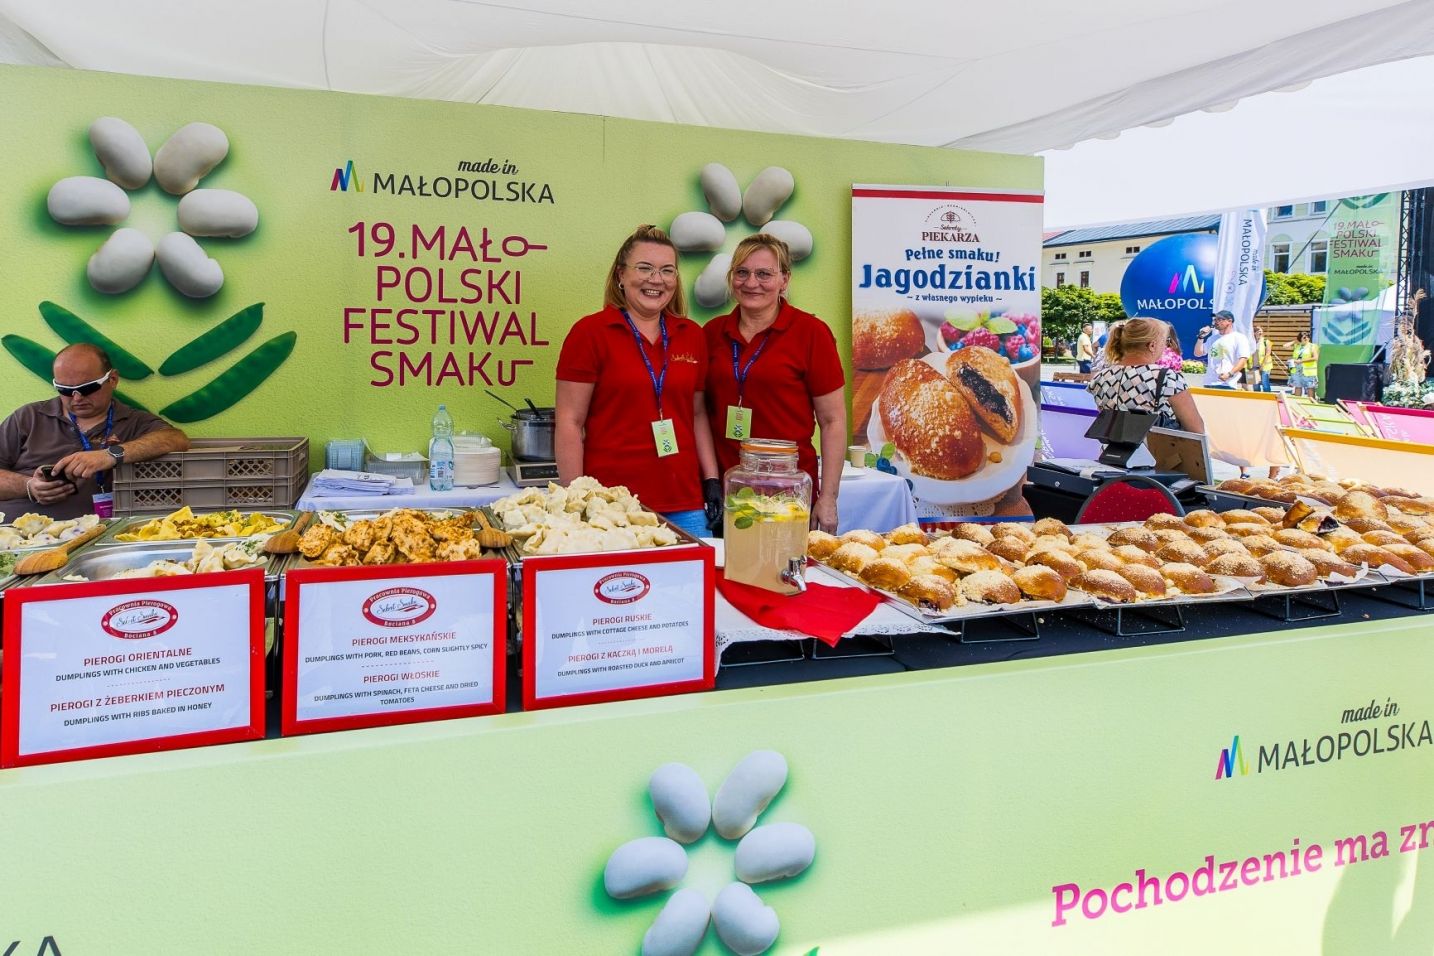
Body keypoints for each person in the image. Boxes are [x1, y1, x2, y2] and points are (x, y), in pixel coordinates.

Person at [555, 225, 718, 538]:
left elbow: (697, 414)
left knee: (695, 571)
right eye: (644, 268)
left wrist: (711, 479)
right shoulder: (589, 334)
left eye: (667, 270)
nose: (656, 279)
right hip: (611, 506)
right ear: (621, 274)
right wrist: (575, 500)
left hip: (684, 501)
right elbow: (570, 422)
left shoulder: (692, 335)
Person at [703, 234, 846, 533]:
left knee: (785, 563)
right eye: (742, 272)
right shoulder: (712, 333)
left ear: (784, 280)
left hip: (789, 493)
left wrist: (829, 499)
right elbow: (699, 413)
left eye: (764, 274)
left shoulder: (811, 333)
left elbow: (832, 421)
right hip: (728, 492)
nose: (751, 282)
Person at [0, 342, 190, 520]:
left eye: (87, 388)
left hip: (95, 532)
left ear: (113, 379)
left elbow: (176, 439)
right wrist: (28, 486)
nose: (76, 398)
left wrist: (110, 455)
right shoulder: (28, 417)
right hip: (16, 532)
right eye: (65, 390)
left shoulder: (133, 421)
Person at [1086, 316, 1205, 433]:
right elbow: (1196, 429)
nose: (1166, 346)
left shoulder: (1101, 377)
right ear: (1152, 345)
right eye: (1166, 341)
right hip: (1155, 445)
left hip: (1113, 445)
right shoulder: (1166, 378)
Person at [1193, 309, 1252, 389]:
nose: (1216, 322)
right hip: (1209, 382)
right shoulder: (1212, 338)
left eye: (1219, 319)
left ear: (1229, 321)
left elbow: (1243, 359)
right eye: (1215, 319)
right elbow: (1198, 353)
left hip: (1227, 383)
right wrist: (1201, 337)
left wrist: (1229, 374)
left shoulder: (1239, 338)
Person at [1285, 330, 1319, 398]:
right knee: (1298, 386)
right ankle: (1297, 401)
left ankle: (1311, 402)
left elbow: (1315, 358)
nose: (1306, 338)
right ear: (1300, 338)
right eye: (1304, 337)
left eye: (1308, 337)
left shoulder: (1312, 346)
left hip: (1308, 371)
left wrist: (1301, 361)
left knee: (1310, 387)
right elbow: (1285, 346)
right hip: (1297, 370)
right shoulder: (1297, 346)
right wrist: (1295, 341)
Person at [1251, 326, 1274, 392]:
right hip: (1253, 365)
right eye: (1258, 331)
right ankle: (1257, 396)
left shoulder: (1266, 341)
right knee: (1255, 384)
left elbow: (1268, 354)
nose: (1260, 332)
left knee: (1265, 383)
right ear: (1254, 333)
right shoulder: (1251, 342)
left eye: (1261, 331)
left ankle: (1267, 396)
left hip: (1265, 366)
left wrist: (1262, 365)